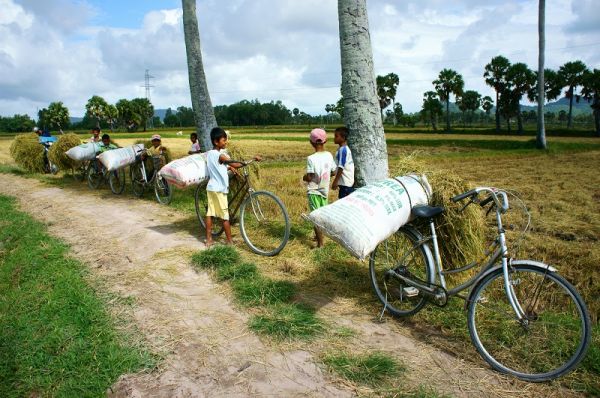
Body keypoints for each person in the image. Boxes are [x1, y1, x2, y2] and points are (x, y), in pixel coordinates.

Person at [205, 127, 260, 246]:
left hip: (211, 188)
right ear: (216, 142)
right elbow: (233, 162)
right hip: (219, 190)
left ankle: (209, 239)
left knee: (210, 213)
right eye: (224, 140)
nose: (226, 142)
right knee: (225, 217)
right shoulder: (220, 156)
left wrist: (229, 167)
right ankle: (230, 242)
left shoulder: (210, 154)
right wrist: (250, 161)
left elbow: (218, 166)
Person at [302, 128, 336, 248]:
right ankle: (318, 236)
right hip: (324, 190)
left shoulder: (311, 158)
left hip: (314, 190)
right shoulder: (329, 155)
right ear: (325, 141)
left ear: (311, 142)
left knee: (315, 217)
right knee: (321, 214)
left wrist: (304, 177)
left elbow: (310, 176)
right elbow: (333, 172)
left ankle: (320, 244)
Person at [331, 126, 355, 199]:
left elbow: (341, 167)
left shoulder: (343, 150)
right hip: (346, 184)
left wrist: (335, 181)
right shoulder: (341, 149)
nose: (334, 138)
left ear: (343, 138)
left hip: (345, 184)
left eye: (336, 136)